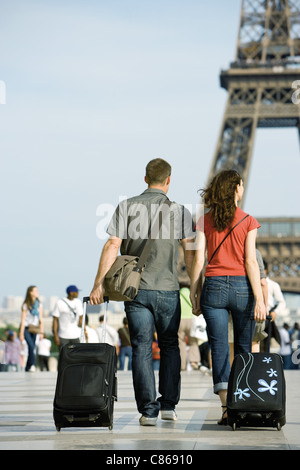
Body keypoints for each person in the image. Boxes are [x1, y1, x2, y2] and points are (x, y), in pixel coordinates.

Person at [89, 158, 194, 426]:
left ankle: (148, 411)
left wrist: (98, 283)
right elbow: (190, 253)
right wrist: (195, 286)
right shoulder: (180, 211)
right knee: (170, 346)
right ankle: (168, 405)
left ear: (145, 178)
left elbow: (113, 245)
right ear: (169, 180)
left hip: (134, 291)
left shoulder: (127, 206)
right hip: (169, 289)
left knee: (141, 348)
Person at [190, 169, 267, 425]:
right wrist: (260, 299)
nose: (243, 189)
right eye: (241, 186)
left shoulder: (204, 220)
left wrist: (194, 290)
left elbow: (199, 258)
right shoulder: (248, 220)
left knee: (219, 348)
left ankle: (226, 408)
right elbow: (251, 262)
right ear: (236, 189)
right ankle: (243, 402)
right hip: (242, 288)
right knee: (244, 349)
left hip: (212, 288)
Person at [19, 286, 44, 372]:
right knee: (31, 346)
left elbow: (41, 319)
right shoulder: (25, 305)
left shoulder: (39, 304)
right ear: (30, 292)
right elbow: (22, 320)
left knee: (32, 348)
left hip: (35, 329)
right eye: (35, 290)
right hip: (26, 328)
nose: (37, 292)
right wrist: (21, 333)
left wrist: (41, 332)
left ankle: (27, 367)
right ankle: (33, 365)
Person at [52, 285, 83, 350]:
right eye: (76, 292)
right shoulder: (59, 303)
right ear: (71, 293)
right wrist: (55, 335)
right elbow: (55, 320)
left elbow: (81, 316)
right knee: (63, 356)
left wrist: (83, 327)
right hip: (63, 336)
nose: (78, 293)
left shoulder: (78, 302)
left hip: (76, 335)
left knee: (77, 356)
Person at [178, 285, 200, 370]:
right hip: (191, 319)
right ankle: (194, 362)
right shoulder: (192, 294)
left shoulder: (178, 294)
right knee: (193, 341)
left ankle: (181, 364)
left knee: (180, 342)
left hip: (180, 320)